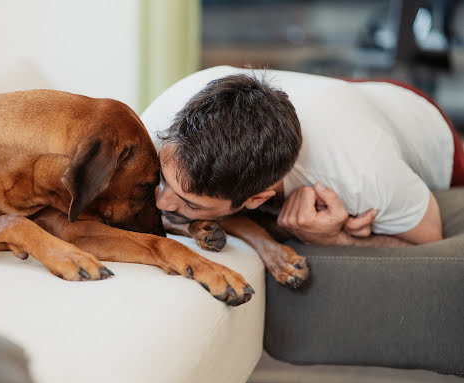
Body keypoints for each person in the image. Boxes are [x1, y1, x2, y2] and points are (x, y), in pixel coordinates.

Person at [140, 66, 464, 247]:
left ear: (258, 198)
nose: (162, 202)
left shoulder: (363, 173)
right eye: (163, 180)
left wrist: (337, 239)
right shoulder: (162, 120)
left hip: (423, 122)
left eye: (190, 203)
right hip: (333, 95)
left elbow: (429, 239)